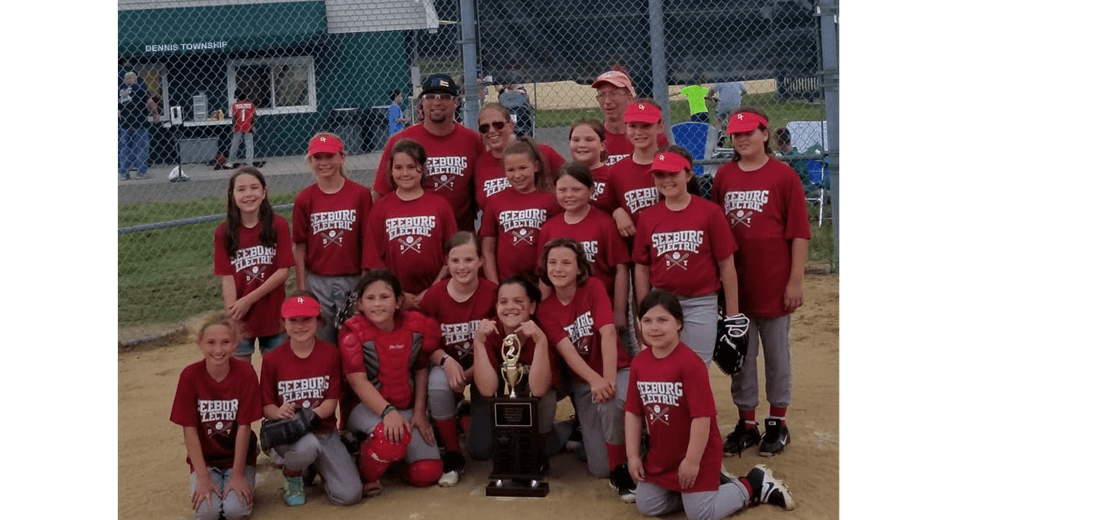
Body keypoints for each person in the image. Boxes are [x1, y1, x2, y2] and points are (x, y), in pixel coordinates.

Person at [625, 290, 795, 520]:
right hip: (662, 457)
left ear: (678, 324)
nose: (654, 327)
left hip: (697, 453)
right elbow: (634, 413)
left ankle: (752, 484)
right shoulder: (639, 363)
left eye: (662, 320)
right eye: (647, 320)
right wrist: (633, 456)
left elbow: (702, 417)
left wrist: (692, 461)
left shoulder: (690, 363)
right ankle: (702, 494)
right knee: (648, 505)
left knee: (701, 515)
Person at [710, 108, 811, 458]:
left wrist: (795, 280)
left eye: (749, 133)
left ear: (765, 134)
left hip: (774, 282)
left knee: (777, 357)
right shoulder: (724, 175)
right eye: (736, 135)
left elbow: (798, 233)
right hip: (737, 286)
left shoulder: (783, 176)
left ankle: (777, 422)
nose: (742, 139)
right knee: (742, 355)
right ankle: (747, 423)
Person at [536, 238, 636, 503]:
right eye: (552, 263)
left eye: (566, 262)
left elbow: (607, 333)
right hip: (585, 382)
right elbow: (567, 351)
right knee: (597, 468)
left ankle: (620, 470)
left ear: (579, 268)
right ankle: (575, 429)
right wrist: (594, 380)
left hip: (617, 370)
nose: (558, 268)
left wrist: (609, 380)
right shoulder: (546, 309)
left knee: (611, 401)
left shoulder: (592, 287)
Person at [338, 269, 443, 496]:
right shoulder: (352, 332)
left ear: (398, 302)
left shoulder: (415, 326)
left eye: (384, 297)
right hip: (364, 408)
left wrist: (419, 411)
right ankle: (366, 473)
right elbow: (358, 383)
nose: (377, 304)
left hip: (405, 407)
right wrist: (387, 412)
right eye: (370, 298)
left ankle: (396, 465)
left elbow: (421, 368)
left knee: (427, 471)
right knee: (389, 439)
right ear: (360, 304)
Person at [632, 148, 740, 365]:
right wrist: (644, 311)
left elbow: (726, 265)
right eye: (660, 175)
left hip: (701, 302)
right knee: (661, 365)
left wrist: (732, 315)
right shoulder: (649, 216)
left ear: (689, 175)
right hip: (661, 301)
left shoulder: (709, 212)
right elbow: (641, 266)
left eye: (673, 173)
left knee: (697, 366)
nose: (666, 180)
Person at [259, 294, 361, 507]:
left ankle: (314, 466)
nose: (300, 326)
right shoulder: (272, 359)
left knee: (349, 495)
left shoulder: (330, 353)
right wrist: (279, 413)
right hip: (289, 436)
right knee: (307, 445)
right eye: (293, 320)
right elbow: (267, 406)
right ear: (283, 324)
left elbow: (331, 403)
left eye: (307, 319)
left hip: (323, 432)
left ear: (319, 321)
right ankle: (293, 472)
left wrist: (309, 416)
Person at [417, 232, 499, 485]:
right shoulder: (434, 296)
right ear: (447, 262)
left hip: (483, 366)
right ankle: (453, 454)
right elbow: (427, 344)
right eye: (455, 260)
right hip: (449, 366)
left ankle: (466, 416)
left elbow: (498, 345)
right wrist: (446, 361)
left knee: (483, 451)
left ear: (481, 261)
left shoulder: (494, 292)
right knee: (438, 384)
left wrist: (471, 373)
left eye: (468, 260)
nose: (461, 267)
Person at [169, 314, 263, 520]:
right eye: (211, 343)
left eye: (225, 342)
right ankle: (213, 479)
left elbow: (245, 426)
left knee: (234, 511)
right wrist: (202, 477)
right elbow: (189, 429)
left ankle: (242, 476)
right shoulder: (190, 375)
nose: (218, 350)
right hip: (206, 459)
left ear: (235, 344)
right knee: (207, 513)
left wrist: (238, 475)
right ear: (199, 344)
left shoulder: (245, 373)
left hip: (238, 458)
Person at [538, 162, 633, 356]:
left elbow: (620, 269)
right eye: (562, 190)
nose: (569, 195)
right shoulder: (550, 228)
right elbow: (544, 275)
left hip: (600, 308)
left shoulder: (605, 223)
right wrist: (546, 309)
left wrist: (619, 311)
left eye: (576, 189)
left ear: (590, 190)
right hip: (565, 312)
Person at [292, 133, 378, 345]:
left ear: (342, 157)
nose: (323, 163)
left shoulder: (359, 194)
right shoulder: (304, 199)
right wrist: (302, 286)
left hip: (353, 278)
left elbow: (368, 240)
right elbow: (300, 245)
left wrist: (366, 280)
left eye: (329, 156)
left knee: (354, 341)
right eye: (317, 158)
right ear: (310, 161)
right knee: (322, 340)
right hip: (318, 280)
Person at [373, 73, 485, 232]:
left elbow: (482, 192)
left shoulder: (472, 141)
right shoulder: (399, 141)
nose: (437, 102)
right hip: (413, 233)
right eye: (430, 96)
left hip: (460, 240)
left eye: (445, 96)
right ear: (421, 102)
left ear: (456, 101)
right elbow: (381, 194)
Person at [470, 276, 558, 461]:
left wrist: (540, 341)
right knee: (482, 450)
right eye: (503, 302)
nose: (510, 307)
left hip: (534, 394)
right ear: (496, 306)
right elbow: (487, 390)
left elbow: (540, 389)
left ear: (532, 306)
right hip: (495, 393)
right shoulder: (489, 331)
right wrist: (478, 343)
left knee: (539, 451)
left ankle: (564, 429)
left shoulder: (543, 328)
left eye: (518, 301)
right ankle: (467, 417)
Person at [214, 167, 294, 362]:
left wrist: (247, 300)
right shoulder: (224, 232)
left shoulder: (278, 225)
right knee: (242, 379)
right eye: (241, 189)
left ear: (264, 192)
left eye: (254, 188)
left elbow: (283, 272)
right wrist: (232, 315)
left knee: (275, 378)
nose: (248, 194)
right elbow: (227, 277)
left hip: (273, 315)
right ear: (232, 195)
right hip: (242, 318)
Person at [365, 139, 456, 310]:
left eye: (412, 167)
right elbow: (374, 260)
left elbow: (452, 254)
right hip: (396, 298)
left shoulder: (439, 205)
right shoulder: (381, 208)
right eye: (398, 168)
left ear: (423, 169)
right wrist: (397, 293)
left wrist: (434, 289)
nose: (405, 173)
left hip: (436, 291)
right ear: (390, 171)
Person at [479, 138, 561, 283]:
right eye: (510, 170)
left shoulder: (551, 199)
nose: (517, 175)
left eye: (523, 168)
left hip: (542, 281)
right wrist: (494, 283)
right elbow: (488, 248)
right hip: (507, 281)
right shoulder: (495, 201)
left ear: (535, 166)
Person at [473, 103, 565, 214]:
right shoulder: (480, 163)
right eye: (484, 128)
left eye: (498, 125)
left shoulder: (541, 152)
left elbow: (573, 181)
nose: (491, 131)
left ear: (511, 125)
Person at [597, 100, 668, 238]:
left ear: (660, 127)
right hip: (633, 244)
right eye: (633, 126)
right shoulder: (616, 171)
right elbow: (609, 204)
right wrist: (616, 211)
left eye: (646, 126)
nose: (638, 132)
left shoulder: (672, 165)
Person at [591, 70, 669, 165]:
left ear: (630, 97)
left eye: (614, 94)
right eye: (602, 95)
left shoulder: (650, 135)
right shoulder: (593, 137)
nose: (607, 101)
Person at [118, 71, 159, 180]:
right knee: (141, 147)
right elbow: (150, 102)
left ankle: (123, 173)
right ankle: (141, 172)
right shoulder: (139, 88)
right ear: (135, 79)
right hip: (139, 122)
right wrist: (155, 114)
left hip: (124, 123)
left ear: (126, 80)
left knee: (124, 149)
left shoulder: (120, 91)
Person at [566, 119, 611, 203]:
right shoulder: (565, 176)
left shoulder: (612, 175)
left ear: (602, 145)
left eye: (589, 140)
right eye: (576, 140)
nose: (581, 145)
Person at [229, 90, 257, 167]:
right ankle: (249, 162)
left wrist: (233, 127)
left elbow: (234, 118)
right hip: (248, 125)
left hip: (238, 125)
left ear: (237, 97)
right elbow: (253, 116)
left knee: (235, 144)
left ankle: (231, 161)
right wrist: (252, 125)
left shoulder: (235, 105)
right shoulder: (251, 104)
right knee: (249, 144)